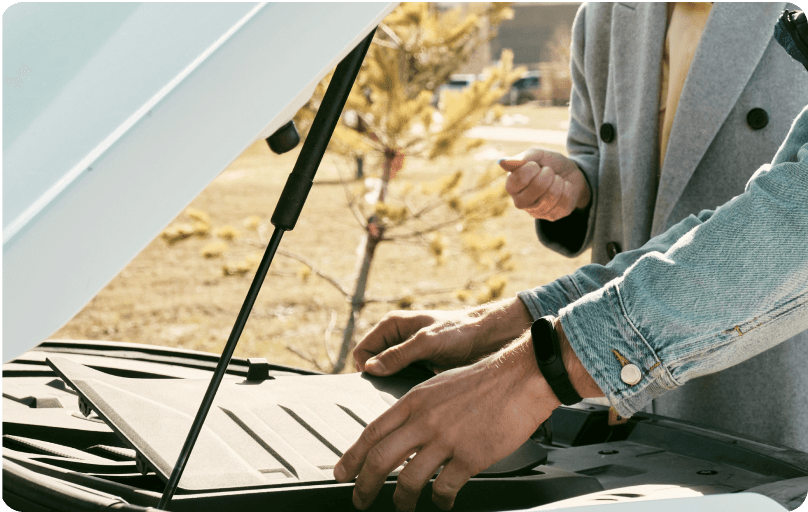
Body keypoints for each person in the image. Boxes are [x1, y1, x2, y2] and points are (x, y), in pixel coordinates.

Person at [330, 8, 808, 512]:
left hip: (766, 381)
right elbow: (738, 215)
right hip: (649, 381)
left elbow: (792, 223)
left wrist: (536, 371)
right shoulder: (605, 16)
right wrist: (515, 319)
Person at [501, 2, 808, 451]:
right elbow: (597, 148)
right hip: (611, 365)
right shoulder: (602, 15)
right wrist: (578, 187)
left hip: (758, 358)